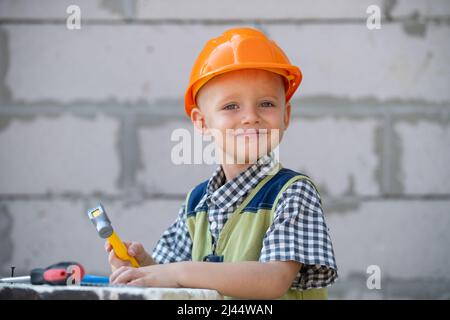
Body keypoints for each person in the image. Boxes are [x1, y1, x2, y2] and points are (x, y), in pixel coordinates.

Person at [106, 27, 338, 299]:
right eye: (231, 106)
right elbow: (170, 281)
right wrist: (142, 268)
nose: (251, 117)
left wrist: (178, 273)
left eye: (266, 103)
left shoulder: (292, 193)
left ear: (285, 115)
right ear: (202, 122)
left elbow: (273, 279)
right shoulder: (196, 204)